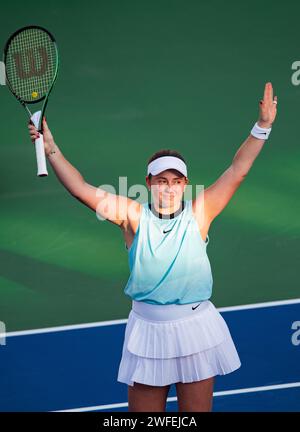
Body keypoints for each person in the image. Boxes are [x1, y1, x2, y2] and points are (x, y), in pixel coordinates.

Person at [28, 82, 277, 412]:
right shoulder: (132, 216)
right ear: (149, 183)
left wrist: (262, 127)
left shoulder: (199, 213)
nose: (169, 188)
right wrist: (53, 150)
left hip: (195, 329)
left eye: (176, 181)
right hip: (147, 332)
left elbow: (238, 170)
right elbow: (80, 188)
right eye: (162, 181)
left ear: (185, 185)